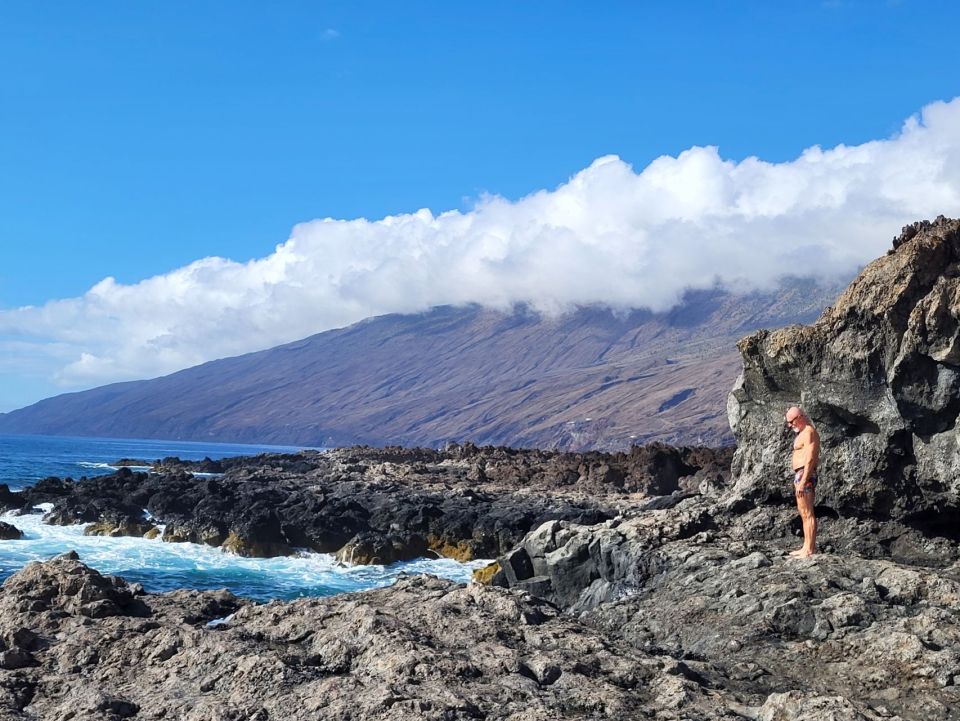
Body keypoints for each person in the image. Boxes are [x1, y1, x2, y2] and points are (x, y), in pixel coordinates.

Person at [785, 406, 819, 558]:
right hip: (800, 475)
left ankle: (810, 550)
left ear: (800, 417)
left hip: (805, 475)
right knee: (803, 513)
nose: (790, 425)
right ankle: (806, 547)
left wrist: (803, 480)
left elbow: (811, 458)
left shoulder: (809, 432)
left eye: (791, 422)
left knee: (807, 512)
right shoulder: (802, 433)